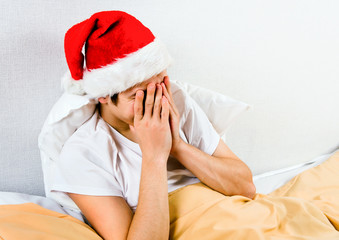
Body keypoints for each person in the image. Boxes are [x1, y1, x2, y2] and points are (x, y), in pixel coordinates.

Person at [51, 10, 256, 240]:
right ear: (104, 96)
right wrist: (155, 156)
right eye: (138, 95)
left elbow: (246, 187)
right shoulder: (83, 155)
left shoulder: (176, 102)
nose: (155, 100)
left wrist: (178, 146)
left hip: (240, 220)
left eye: (159, 83)